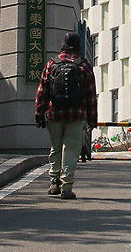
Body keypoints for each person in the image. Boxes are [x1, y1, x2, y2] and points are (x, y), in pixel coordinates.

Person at [35, 32, 97, 200]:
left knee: (56, 147)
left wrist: (39, 113)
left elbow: (42, 92)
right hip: (76, 115)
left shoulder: (51, 64)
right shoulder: (84, 66)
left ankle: (54, 182)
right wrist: (92, 119)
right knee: (70, 148)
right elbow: (91, 95)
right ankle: (67, 187)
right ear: (78, 46)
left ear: (63, 44)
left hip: (54, 113)